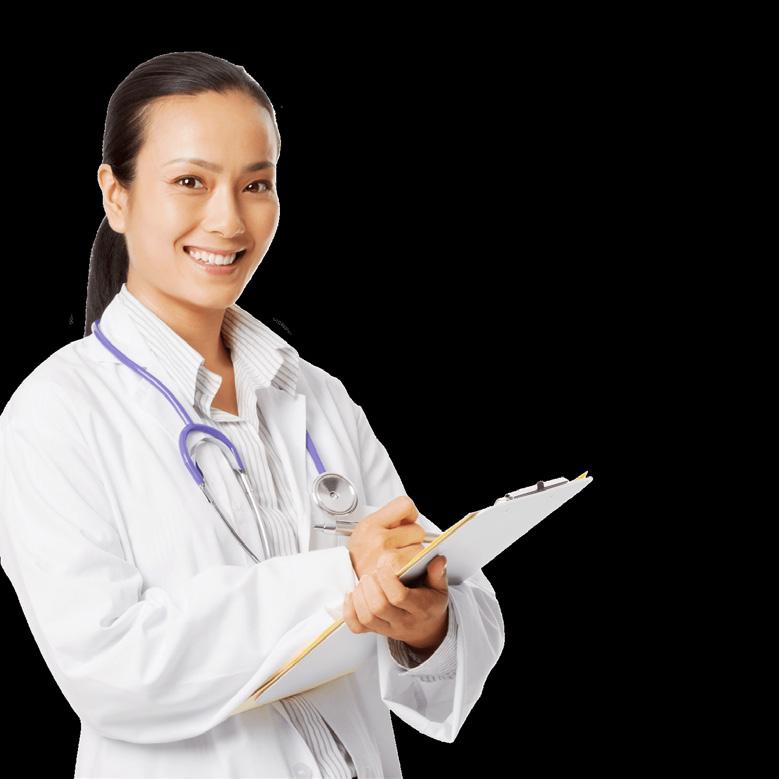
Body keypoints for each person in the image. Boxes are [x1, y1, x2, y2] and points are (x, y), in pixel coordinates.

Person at [0, 51, 505, 779]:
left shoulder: (316, 395)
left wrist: (425, 624)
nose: (228, 219)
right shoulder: (57, 413)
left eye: (256, 184)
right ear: (116, 195)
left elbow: (441, 594)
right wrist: (342, 577)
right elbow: (112, 668)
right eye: (190, 182)